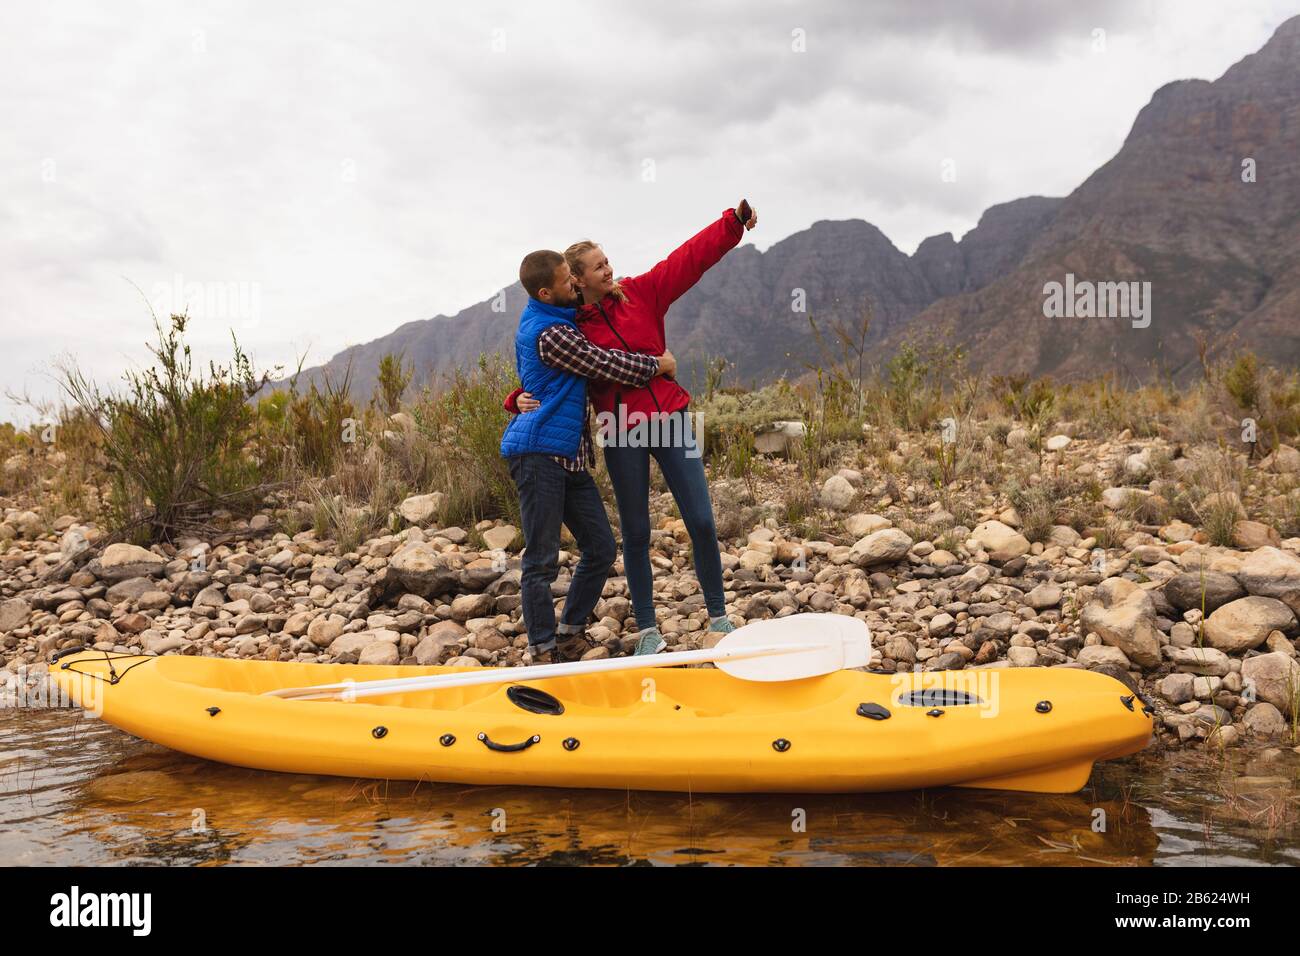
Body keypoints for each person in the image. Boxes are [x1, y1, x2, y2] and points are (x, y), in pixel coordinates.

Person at [507, 200, 758, 656]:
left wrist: (732, 224)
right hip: (621, 429)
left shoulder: (643, 293)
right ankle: (647, 631)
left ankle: (719, 617)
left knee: (701, 519)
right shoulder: (571, 324)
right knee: (637, 533)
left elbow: (689, 259)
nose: (609, 271)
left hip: (669, 419)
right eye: (597, 267)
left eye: (608, 262)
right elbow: (548, 366)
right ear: (576, 280)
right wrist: (514, 398)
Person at [499, 250, 677, 664]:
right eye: (567, 281)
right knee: (541, 560)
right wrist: (657, 365)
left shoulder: (557, 317)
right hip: (539, 455)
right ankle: (543, 649)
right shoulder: (552, 333)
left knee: (599, 549)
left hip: (570, 457)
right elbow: (602, 363)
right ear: (547, 291)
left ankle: (569, 632)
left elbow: (540, 375)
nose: (575, 285)